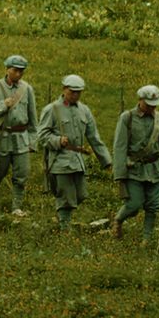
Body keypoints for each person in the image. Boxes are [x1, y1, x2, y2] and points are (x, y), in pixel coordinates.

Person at [37, 75, 108, 229]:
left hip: (78, 161)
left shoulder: (84, 110)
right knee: (66, 197)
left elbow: (93, 137)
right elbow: (42, 135)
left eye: (79, 92)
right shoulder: (52, 109)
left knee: (81, 195)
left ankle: (61, 214)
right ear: (64, 89)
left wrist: (106, 160)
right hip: (59, 160)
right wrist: (57, 141)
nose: (75, 95)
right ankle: (65, 230)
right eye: (72, 91)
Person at [110, 84, 159, 243]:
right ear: (140, 100)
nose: (151, 107)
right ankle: (118, 220)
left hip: (155, 169)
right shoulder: (127, 117)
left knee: (153, 206)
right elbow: (120, 146)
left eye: (154, 105)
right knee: (134, 204)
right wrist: (120, 173)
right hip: (134, 169)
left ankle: (146, 240)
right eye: (148, 104)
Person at [0, 54, 38, 214]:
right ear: (7, 69)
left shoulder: (27, 89)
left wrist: (33, 141)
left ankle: (16, 207)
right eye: (15, 70)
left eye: (21, 71)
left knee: (21, 174)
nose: (18, 74)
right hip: (2, 138)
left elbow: (33, 118)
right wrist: (2, 105)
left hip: (22, 138)